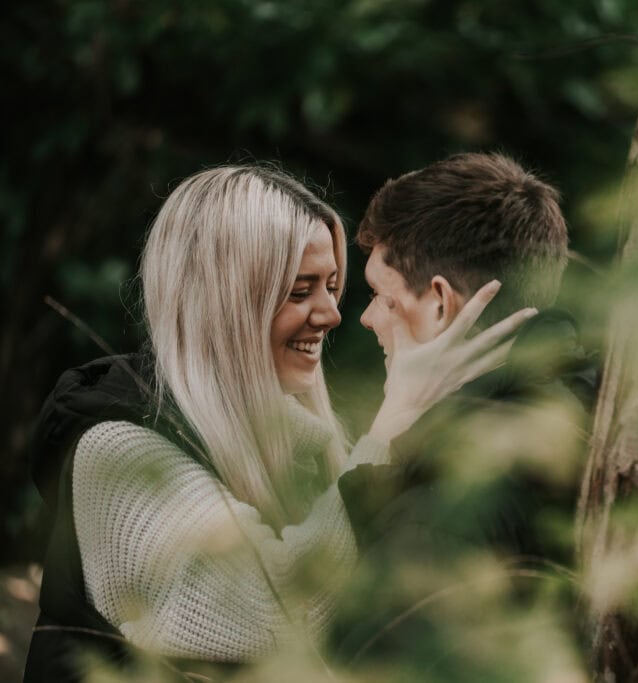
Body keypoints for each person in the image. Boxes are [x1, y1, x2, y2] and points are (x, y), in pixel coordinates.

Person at [23, 164, 532, 682]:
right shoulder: (117, 446)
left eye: (331, 286)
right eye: (299, 291)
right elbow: (268, 612)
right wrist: (395, 422)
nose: (332, 313)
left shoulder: (304, 439)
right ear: (222, 302)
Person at [330, 153, 597, 664]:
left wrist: (390, 427)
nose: (366, 319)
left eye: (381, 297)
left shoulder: (451, 493)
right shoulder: (591, 398)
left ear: (438, 302)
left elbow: (363, 655)